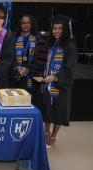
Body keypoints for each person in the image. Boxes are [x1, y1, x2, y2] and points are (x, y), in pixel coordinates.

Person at [42, 15, 77, 147]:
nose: (56, 31)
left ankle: (53, 136)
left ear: (65, 30)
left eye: (60, 29)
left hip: (61, 85)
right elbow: (47, 63)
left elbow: (69, 69)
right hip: (48, 84)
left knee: (58, 112)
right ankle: (45, 133)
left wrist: (55, 77)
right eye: (54, 28)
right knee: (47, 110)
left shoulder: (70, 47)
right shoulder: (52, 45)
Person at [12, 15, 49, 109]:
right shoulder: (14, 39)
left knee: (30, 106)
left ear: (32, 24)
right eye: (23, 23)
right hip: (17, 76)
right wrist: (17, 67)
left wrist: (28, 69)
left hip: (32, 80)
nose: (26, 25)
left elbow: (41, 60)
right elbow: (10, 57)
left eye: (28, 22)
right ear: (20, 24)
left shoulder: (39, 40)